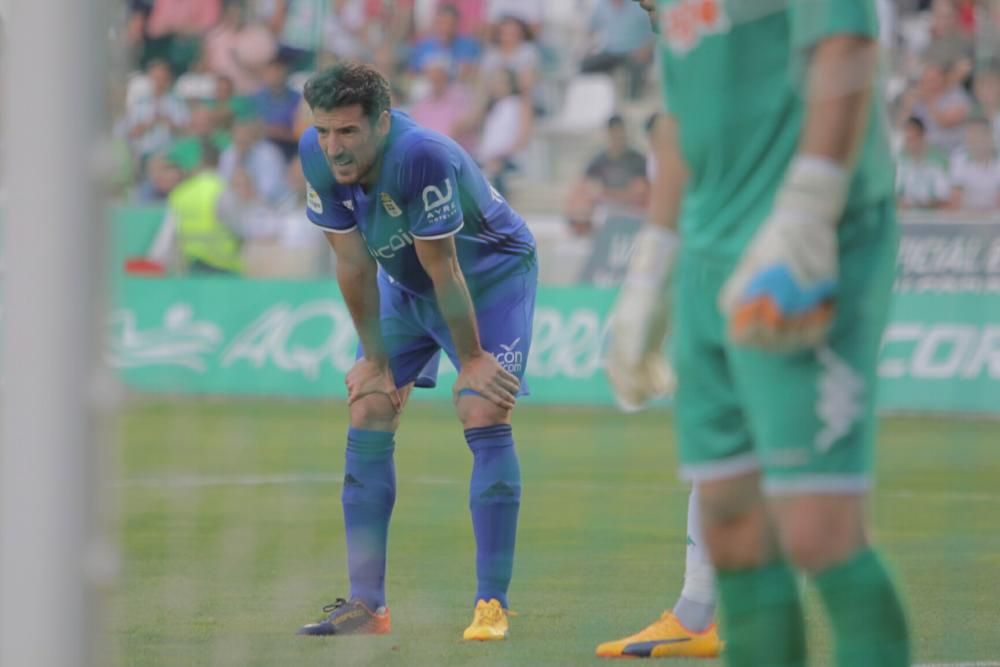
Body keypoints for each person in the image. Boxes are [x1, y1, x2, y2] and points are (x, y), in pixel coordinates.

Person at [600, 1, 910, 665]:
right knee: (732, 526)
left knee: (818, 529)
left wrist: (810, 203)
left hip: (803, 246)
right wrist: (652, 265)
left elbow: (846, 44)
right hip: (711, 246)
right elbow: (680, 119)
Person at [294, 63, 537, 641]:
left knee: (481, 405)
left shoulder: (422, 155)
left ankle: (491, 604)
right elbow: (351, 262)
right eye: (325, 131)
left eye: (347, 132)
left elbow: (445, 266)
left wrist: (473, 357)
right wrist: (375, 361)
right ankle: (367, 605)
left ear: (381, 123)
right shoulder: (314, 152)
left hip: (489, 278)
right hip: (405, 283)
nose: (334, 146)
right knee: (369, 406)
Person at [564, 114, 649, 235]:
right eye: (613, 133)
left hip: (632, 210)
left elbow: (639, 192)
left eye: (620, 133)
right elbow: (585, 188)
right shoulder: (599, 160)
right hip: (606, 211)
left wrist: (605, 193)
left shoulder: (637, 160)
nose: (617, 137)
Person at [896, 116, 951, 209]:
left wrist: (918, 204)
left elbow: (943, 198)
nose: (910, 144)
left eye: (912, 138)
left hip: (932, 219)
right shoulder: (900, 163)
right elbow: (895, 195)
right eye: (907, 139)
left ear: (922, 137)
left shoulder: (937, 163)